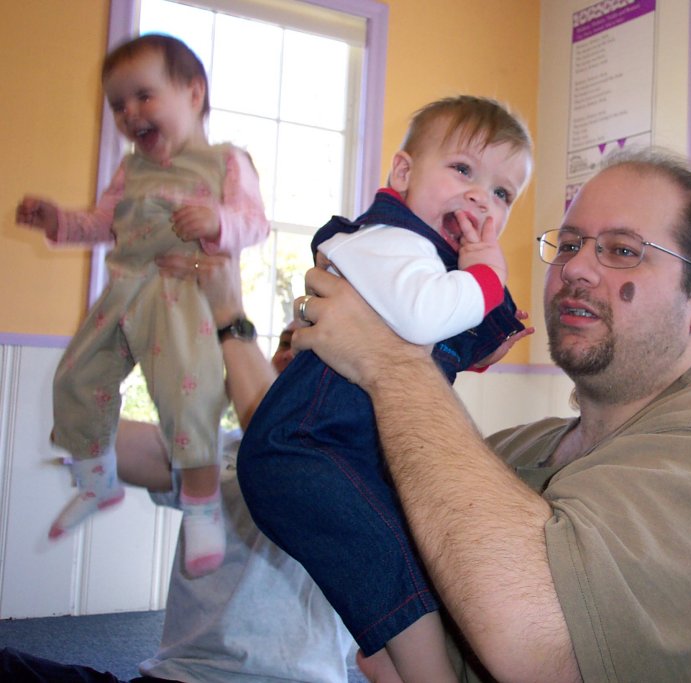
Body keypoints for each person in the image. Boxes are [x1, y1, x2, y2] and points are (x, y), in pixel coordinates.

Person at [273, 148, 691, 682]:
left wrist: (390, 362)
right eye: (568, 245)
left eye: (622, 251)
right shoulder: (511, 452)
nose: (576, 269)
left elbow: (544, 647)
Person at [236, 95, 534, 683]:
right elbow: (422, 316)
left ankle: (387, 655)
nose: (481, 197)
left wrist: (477, 345)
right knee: (393, 561)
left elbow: (423, 343)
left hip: (341, 447)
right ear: (403, 174)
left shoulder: (428, 263)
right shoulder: (389, 239)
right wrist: (487, 277)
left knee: (398, 559)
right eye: (463, 170)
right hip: (305, 446)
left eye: (502, 193)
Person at [0, 253, 353, 683]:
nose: (289, 354)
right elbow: (84, 434)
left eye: (306, 347)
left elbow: (280, 448)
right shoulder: (217, 450)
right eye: (283, 343)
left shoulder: (356, 467)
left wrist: (229, 316)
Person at [15, 34, 269, 577]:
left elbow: (254, 223)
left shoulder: (225, 162)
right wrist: (58, 221)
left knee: (189, 394)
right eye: (118, 105)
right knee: (76, 376)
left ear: (194, 94)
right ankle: (96, 478)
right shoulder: (131, 171)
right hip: (125, 289)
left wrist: (218, 222)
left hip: (183, 294)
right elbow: (101, 223)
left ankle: (201, 506)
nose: (130, 113)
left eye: (144, 96)